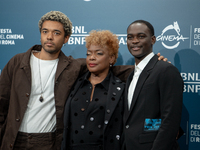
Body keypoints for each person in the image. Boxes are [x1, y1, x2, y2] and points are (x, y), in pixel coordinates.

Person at [0, 11, 88, 150]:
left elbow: (106, 68)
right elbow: (2, 101)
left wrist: (135, 71)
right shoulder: (18, 62)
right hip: (14, 139)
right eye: (45, 31)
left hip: (48, 141)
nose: (49, 37)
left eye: (56, 33)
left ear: (66, 38)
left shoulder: (73, 67)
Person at [123, 20, 183, 150]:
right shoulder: (131, 75)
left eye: (141, 36)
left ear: (153, 40)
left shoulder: (166, 70)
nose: (134, 41)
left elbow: (170, 121)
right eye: (130, 37)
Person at [61, 30, 125, 150]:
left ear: (111, 58)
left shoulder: (121, 88)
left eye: (99, 53)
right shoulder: (75, 82)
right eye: (88, 54)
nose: (92, 58)